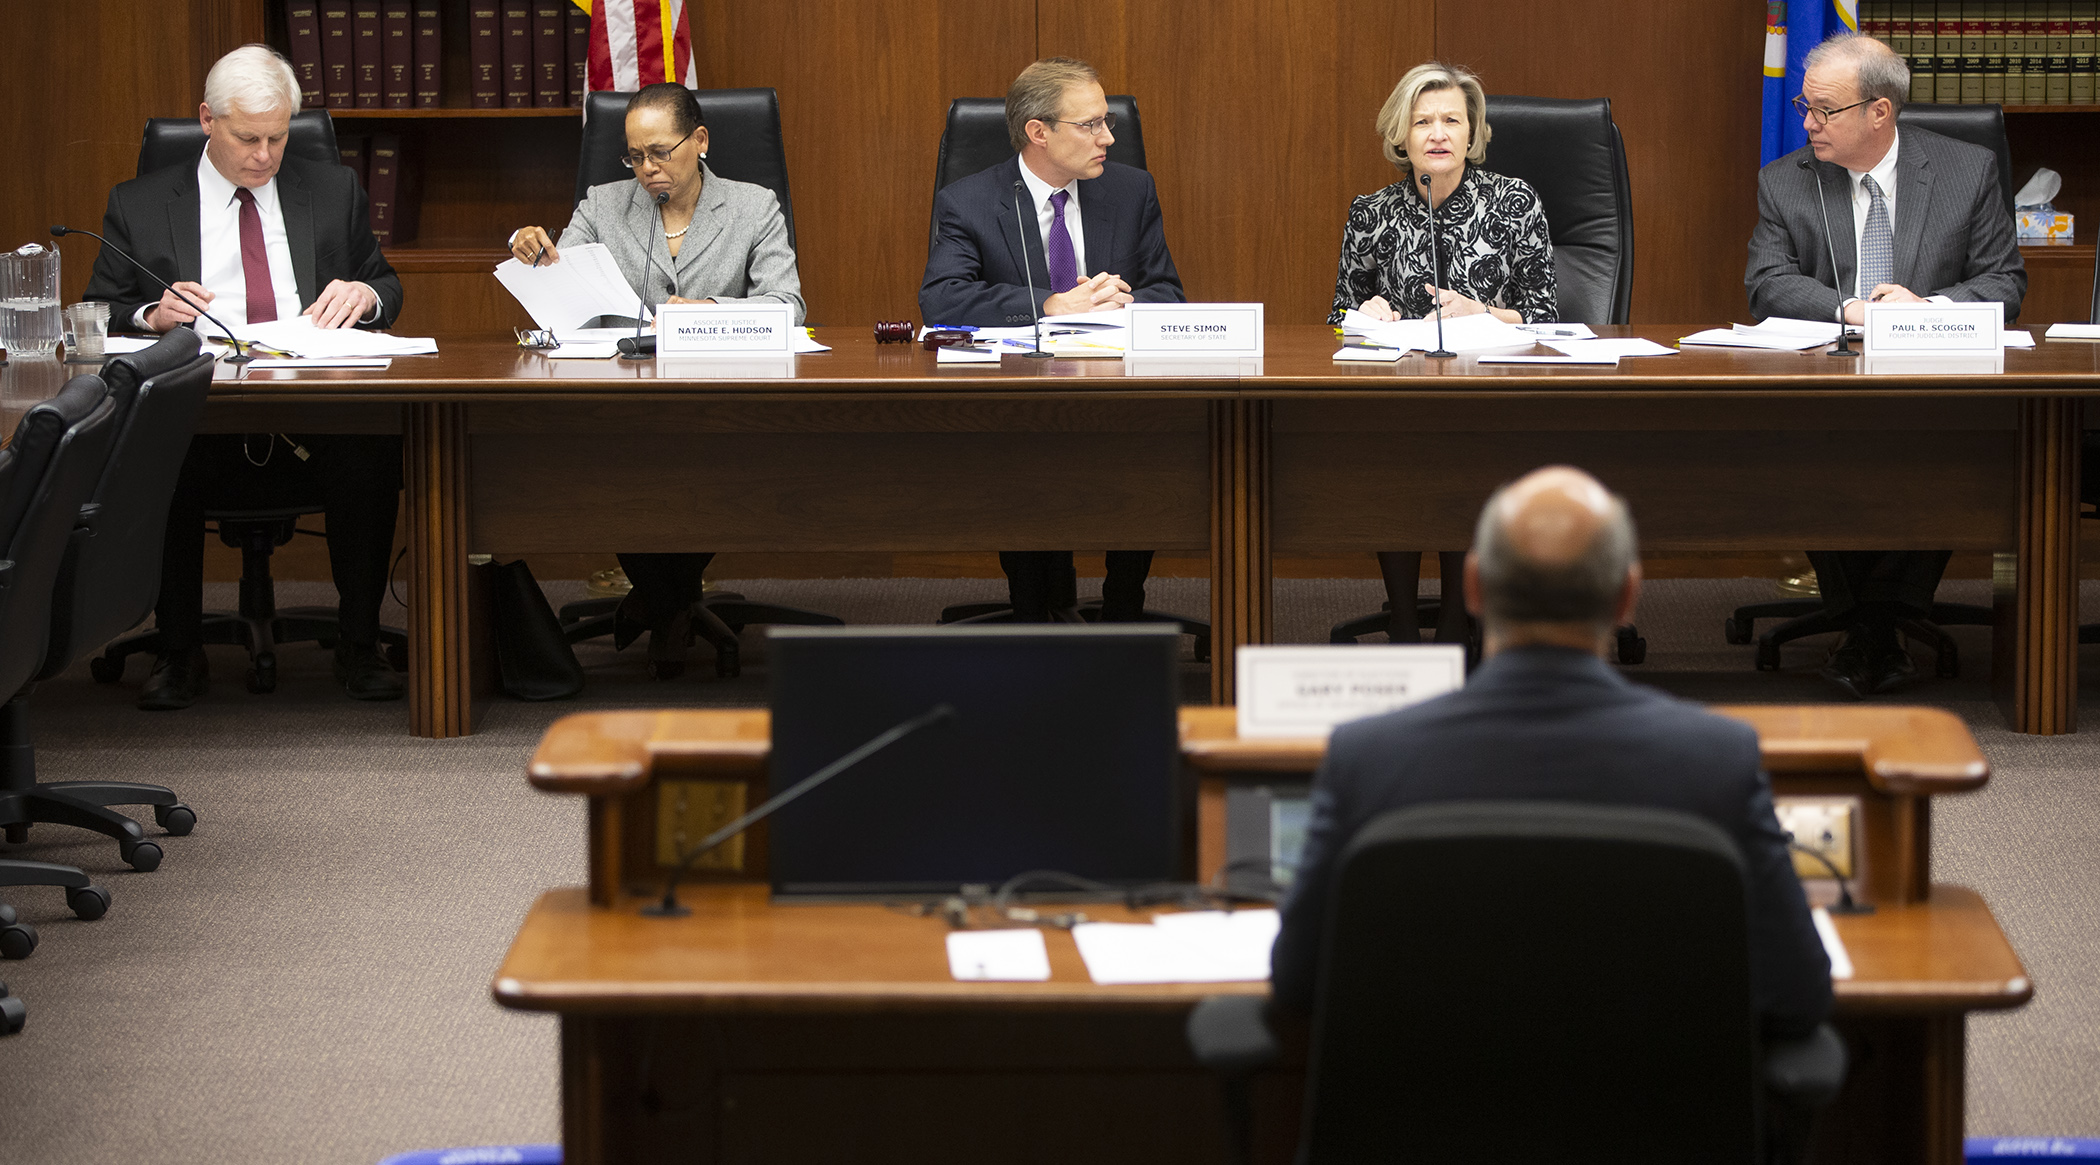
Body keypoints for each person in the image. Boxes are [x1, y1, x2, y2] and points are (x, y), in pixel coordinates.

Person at [1270, 466, 1833, 1041]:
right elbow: (1798, 993)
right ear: (1626, 597)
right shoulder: (1719, 762)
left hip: (1426, 1127)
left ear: (1472, 589)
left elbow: (1296, 981)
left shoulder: (1367, 760)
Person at [82, 44, 406, 709]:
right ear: (207, 119)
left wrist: (364, 297)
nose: (264, 155)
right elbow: (99, 308)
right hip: (199, 415)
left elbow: (386, 284)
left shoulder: (331, 187)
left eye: (279, 137)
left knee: (373, 447)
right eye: (248, 138)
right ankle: (178, 651)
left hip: (310, 413)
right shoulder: (140, 203)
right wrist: (151, 311)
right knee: (157, 455)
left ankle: (358, 642)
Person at [1745, 33, 2025, 699]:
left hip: (1937, 385)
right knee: (1813, 442)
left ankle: (1867, 627)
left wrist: (1922, 306)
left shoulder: (1966, 171)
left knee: (1949, 443)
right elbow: (1767, 283)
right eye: (1803, 105)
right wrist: (1851, 309)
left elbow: (2004, 283)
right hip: (1828, 385)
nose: (1806, 122)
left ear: (1879, 112)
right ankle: (1881, 625)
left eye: (1823, 109)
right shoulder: (1787, 181)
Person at [509, 82, 803, 678]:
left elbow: (788, 305)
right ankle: (668, 603)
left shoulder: (753, 206)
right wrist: (530, 252)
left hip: (725, 401)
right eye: (634, 156)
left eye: (659, 153)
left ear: (699, 140)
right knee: (628, 461)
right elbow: (563, 296)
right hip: (625, 402)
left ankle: (662, 603)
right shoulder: (601, 205)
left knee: (704, 463)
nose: (646, 169)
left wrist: (713, 312)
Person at [919, 57, 1184, 622]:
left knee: (1150, 454)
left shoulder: (1131, 191)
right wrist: (1048, 304)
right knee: (1028, 461)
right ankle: (1033, 617)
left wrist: (1127, 302)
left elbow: (1169, 292)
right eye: (1090, 125)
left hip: (1120, 394)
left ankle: (1123, 609)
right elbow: (942, 298)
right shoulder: (970, 202)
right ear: (1038, 132)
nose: (1108, 137)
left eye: (1107, 121)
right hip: (1020, 398)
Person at [1330, 61, 1558, 647]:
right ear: (1400, 135)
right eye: (1422, 121)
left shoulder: (1513, 202)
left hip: (1490, 393)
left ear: (1472, 132)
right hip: (1399, 395)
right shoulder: (1371, 212)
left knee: (1461, 456)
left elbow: (1546, 312)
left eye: (1451, 120)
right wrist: (1368, 315)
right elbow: (1338, 317)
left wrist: (1486, 312)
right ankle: (1404, 623)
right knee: (1396, 460)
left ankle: (1459, 624)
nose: (1437, 133)